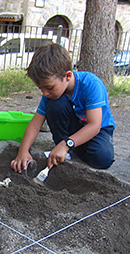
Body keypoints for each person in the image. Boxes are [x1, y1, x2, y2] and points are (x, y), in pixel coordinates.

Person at [11, 43, 115, 173]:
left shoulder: (91, 84)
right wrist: (23, 151)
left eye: (49, 87)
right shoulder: (51, 94)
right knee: (55, 104)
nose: (44, 93)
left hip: (98, 130)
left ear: (68, 76)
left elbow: (94, 126)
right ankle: (64, 149)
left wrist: (67, 144)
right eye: (40, 88)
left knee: (102, 158)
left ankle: (67, 148)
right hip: (73, 128)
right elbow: (35, 124)